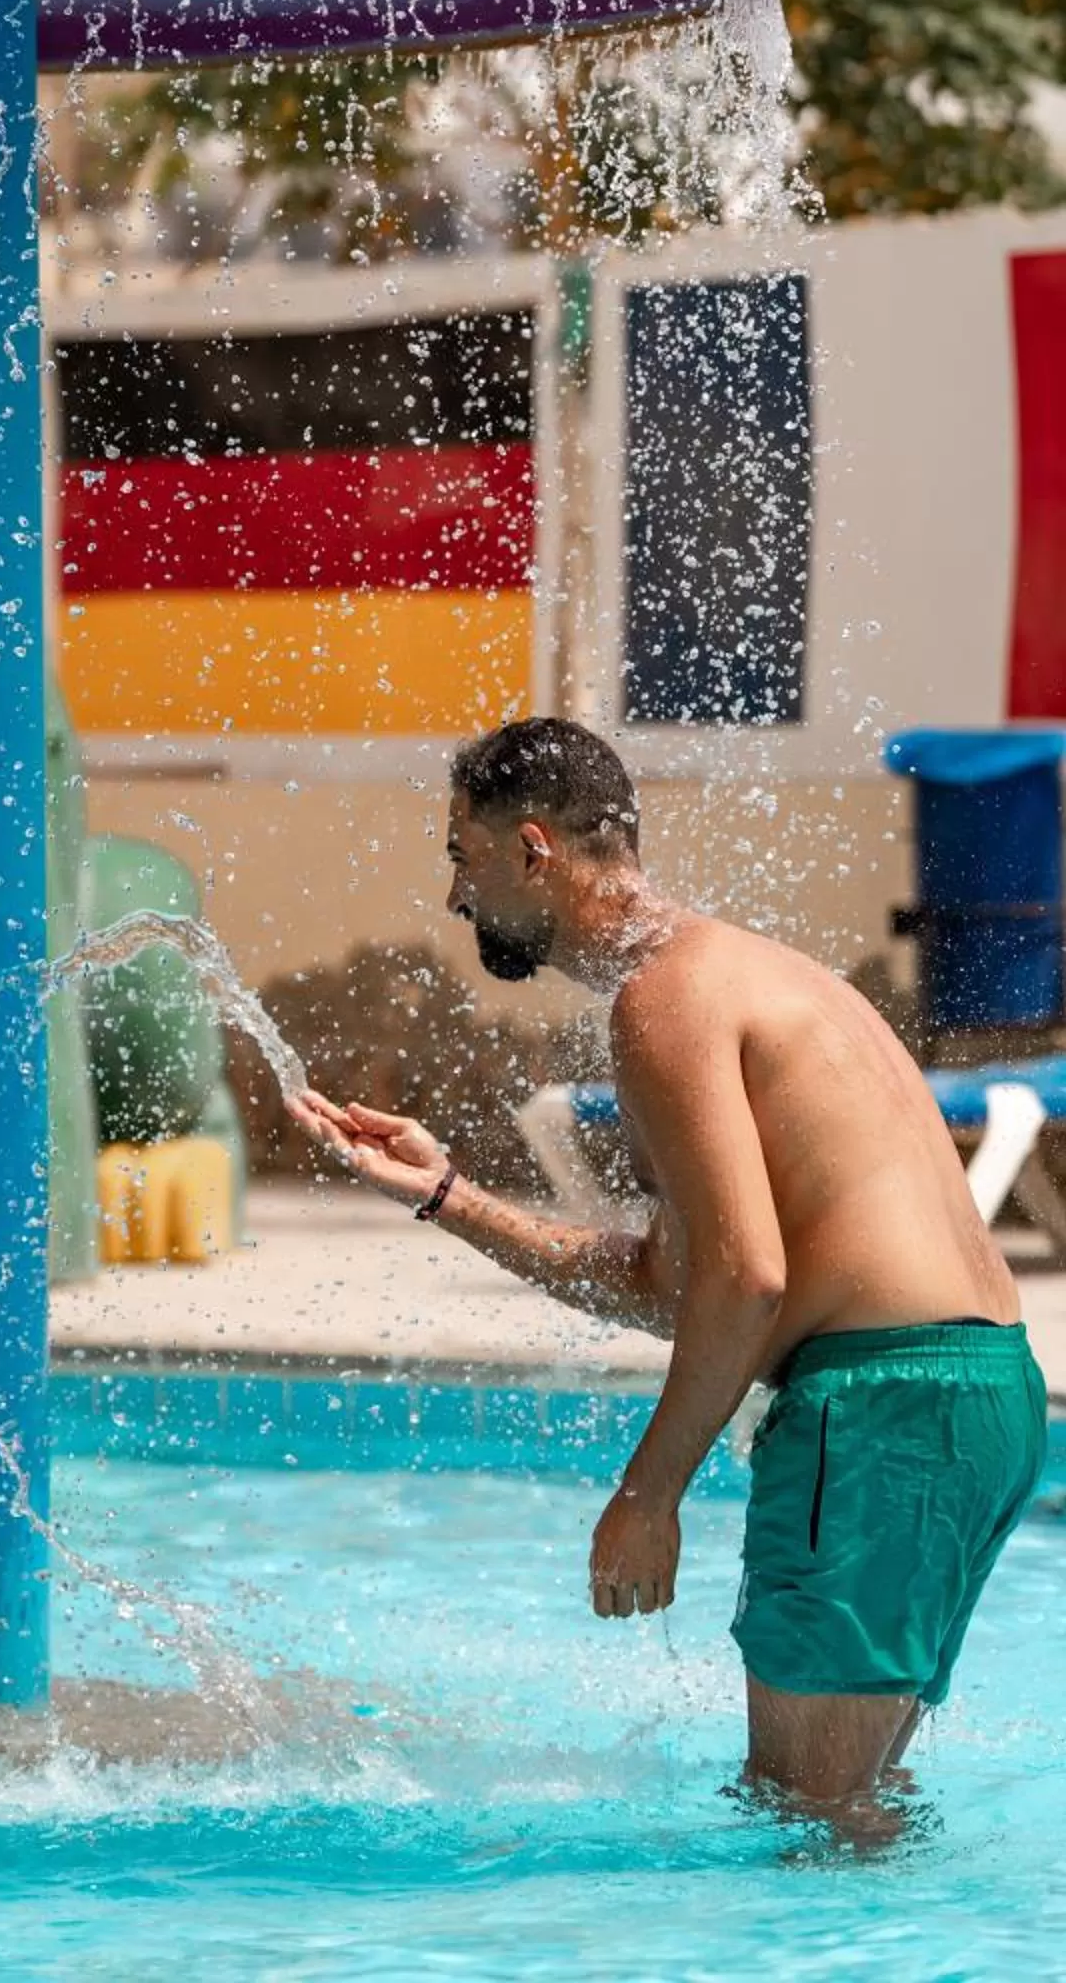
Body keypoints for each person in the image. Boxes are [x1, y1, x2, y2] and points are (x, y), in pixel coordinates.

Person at [290, 717, 1047, 1824]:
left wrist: (647, 1499)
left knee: (803, 1812)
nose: (454, 896)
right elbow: (666, 1282)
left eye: (461, 854)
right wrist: (445, 1196)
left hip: (882, 1413)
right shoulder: (747, 974)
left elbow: (745, 1282)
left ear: (533, 849)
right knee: (849, 1807)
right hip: (974, 1398)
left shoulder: (662, 1001)